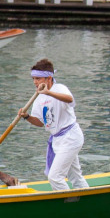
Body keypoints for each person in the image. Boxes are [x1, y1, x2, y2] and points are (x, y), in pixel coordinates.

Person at [17, 59, 89, 191]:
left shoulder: (60, 88)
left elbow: (70, 99)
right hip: (57, 139)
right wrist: (26, 117)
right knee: (75, 176)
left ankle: (68, 203)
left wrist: (48, 93)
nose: (35, 82)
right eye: (33, 78)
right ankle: (88, 199)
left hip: (71, 136)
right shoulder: (38, 98)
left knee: (55, 177)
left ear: (49, 78)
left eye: (38, 78)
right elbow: (40, 122)